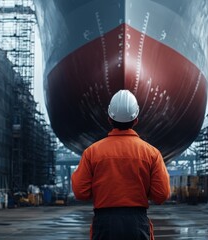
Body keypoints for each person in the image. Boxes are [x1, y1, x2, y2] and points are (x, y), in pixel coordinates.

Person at [72, 89, 171, 240]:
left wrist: (102, 190)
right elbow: (161, 195)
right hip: (137, 223)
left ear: (110, 119)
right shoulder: (152, 153)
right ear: (136, 119)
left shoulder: (92, 153)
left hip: (104, 224)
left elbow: (80, 192)